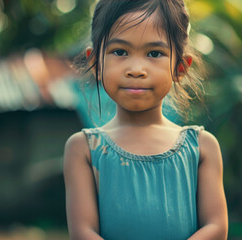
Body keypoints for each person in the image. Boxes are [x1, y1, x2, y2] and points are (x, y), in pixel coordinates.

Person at [63, 1, 228, 239]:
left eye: (154, 53)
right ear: (95, 63)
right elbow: (83, 232)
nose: (136, 69)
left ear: (180, 67)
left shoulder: (202, 147)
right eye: (120, 52)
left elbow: (216, 227)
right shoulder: (84, 150)